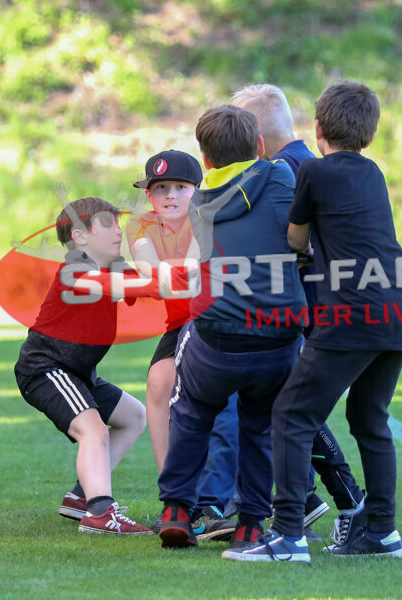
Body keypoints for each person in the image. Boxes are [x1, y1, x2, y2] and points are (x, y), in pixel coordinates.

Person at [225, 81, 402, 562]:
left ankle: (288, 536)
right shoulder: (373, 173)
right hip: (398, 306)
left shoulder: (311, 171)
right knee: (369, 418)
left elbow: (294, 238)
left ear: (316, 128)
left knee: (291, 413)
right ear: (369, 136)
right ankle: (382, 533)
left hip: (352, 309)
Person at [156, 105, 306, 553]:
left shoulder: (199, 201)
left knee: (191, 411)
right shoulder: (280, 177)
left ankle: (177, 509)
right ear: (260, 146)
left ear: (204, 162)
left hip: (217, 335)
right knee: (258, 427)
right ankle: (251, 525)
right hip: (278, 336)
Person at [232, 84, 368, 542]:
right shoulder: (310, 162)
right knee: (286, 406)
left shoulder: (282, 171)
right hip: (315, 304)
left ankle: (339, 498)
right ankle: (311, 499)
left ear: (253, 138)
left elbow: (286, 243)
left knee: (291, 410)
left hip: (299, 309)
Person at [14, 196, 151, 535]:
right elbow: (127, 285)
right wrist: (158, 277)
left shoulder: (111, 267)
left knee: (133, 417)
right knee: (94, 430)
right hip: (46, 369)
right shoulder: (77, 270)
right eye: (108, 224)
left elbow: (149, 283)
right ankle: (100, 513)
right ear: (79, 236)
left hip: (77, 374)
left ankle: (81, 497)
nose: (117, 231)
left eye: (118, 223)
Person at [124, 149, 236, 541]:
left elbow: (182, 277)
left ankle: (210, 499)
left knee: (212, 394)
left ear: (196, 191)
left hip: (215, 317)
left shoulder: (207, 218)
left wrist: (165, 273)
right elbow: (155, 273)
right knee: (158, 383)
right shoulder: (139, 225)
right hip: (179, 322)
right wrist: (164, 273)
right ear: (149, 196)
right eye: (160, 188)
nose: (170, 195)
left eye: (181, 187)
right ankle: (175, 498)